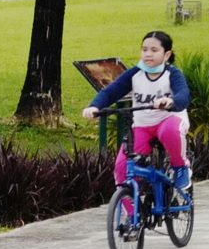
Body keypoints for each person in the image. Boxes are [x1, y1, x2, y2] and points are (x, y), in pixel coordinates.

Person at [82, 31, 193, 220]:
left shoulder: (172, 74)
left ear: (166, 54)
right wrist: (94, 106)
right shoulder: (135, 74)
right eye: (144, 49)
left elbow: (183, 95)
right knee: (121, 168)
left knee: (170, 130)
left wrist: (170, 101)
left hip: (169, 120)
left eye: (154, 50)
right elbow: (111, 92)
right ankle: (133, 213)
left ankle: (181, 167)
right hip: (142, 126)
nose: (148, 54)